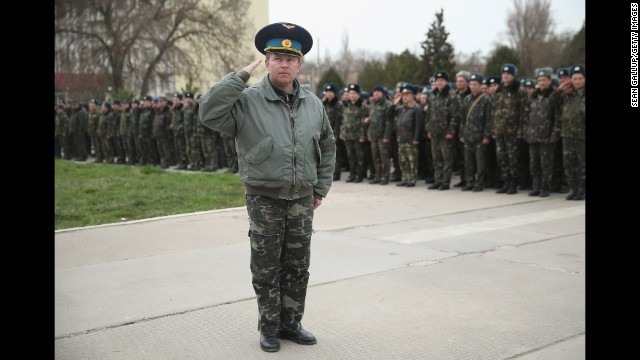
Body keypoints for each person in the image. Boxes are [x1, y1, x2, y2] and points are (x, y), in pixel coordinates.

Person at [198, 22, 336, 352]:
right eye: (277, 57)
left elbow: (328, 144)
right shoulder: (246, 101)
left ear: (300, 64)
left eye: (291, 58)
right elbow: (208, 112)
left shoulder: (313, 103)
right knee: (266, 267)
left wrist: (320, 189)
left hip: (302, 197)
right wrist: (239, 76)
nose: (284, 63)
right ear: (266, 62)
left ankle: (291, 323)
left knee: (298, 266)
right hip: (264, 197)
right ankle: (269, 327)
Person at [555, 65, 586, 200]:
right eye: (575, 78)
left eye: (580, 78)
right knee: (569, 164)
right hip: (567, 134)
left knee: (582, 165)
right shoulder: (567, 94)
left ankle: (582, 191)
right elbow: (551, 103)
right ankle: (573, 189)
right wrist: (559, 90)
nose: (578, 81)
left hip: (582, 136)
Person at [460, 74, 492, 192]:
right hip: (468, 135)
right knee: (468, 161)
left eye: (475, 84)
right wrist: (462, 134)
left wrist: (486, 135)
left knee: (480, 162)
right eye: (471, 84)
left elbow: (488, 119)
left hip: (480, 136)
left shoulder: (486, 99)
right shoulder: (467, 99)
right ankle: (470, 181)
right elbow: (463, 119)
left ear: (480, 85)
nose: (472, 87)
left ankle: (480, 183)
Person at [393, 84, 424, 187]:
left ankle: (412, 179)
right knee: (403, 160)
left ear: (412, 96)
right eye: (403, 95)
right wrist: (394, 105)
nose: (405, 97)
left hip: (410, 138)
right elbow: (389, 114)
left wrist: (416, 138)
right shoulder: (401, 108)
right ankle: (405, 178)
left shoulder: (416, 108)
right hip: (401, 137)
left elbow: (418, 125)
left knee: (412, 160)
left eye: (407, 95)